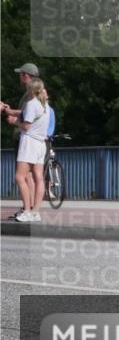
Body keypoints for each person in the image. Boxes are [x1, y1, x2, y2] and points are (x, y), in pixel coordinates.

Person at [2, 62, 41, 219]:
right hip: (32, 140)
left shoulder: (30, 95)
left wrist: (7, 111)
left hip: (27, 139)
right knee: (30, 176)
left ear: (26, 75)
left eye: (21, 74)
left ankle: (28, 208)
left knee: (23, 176)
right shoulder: (34, 93)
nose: (19, 76)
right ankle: (29, 208)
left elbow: (27, 112)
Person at [14, 79, 51, 223]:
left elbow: (27, 126)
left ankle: (27, 211)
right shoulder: (46, 105)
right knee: (38, 177)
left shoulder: (31, 104)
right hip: (41, 143)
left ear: (30, 90)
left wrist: (15, 122)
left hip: (29, 142)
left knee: (20, 177)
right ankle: (35, 212)